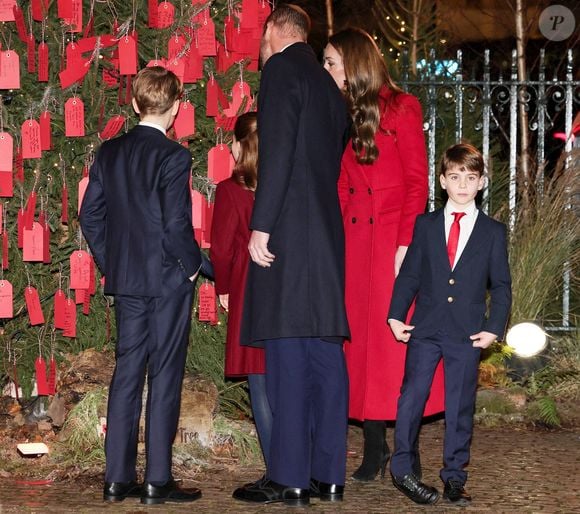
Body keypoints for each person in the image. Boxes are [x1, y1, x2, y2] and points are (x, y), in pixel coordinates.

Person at [232, 4, 350, 507]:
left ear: (275, 32)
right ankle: (328, 475)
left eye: (261, 37)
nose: (259, 48)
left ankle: (289, 477)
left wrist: (262, 225)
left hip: (287, 233)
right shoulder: (330, 86)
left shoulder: (281, 68)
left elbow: (276, 150)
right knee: (324, 354)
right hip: (325, 235)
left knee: (285, 354)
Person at [323, 27, 445, 482]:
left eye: (333, 61)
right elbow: (338, 182)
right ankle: (373, 447)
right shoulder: (340, 111)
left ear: (355, 62)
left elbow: (418, 182)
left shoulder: (402, 106)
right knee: (361, 348)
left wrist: (407, 246)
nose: (328, 70)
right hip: (355, 244)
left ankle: (404, 451)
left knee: (395, 348)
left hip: (393, 241)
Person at [80, 67, 204, 506]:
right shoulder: (175, 156)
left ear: (134, 104)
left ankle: (116, 479)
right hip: (169, 279)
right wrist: (192, 267)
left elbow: (89, 216)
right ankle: (157, 480)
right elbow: (175, 225)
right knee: (165, 373)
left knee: (127, 371)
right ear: (174, 109)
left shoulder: (109, 152)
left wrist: (111, 261)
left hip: (128, 279)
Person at [388, 143, 512, 506]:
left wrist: (494, 326)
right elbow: (409, 274)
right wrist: (395, 315)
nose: (462, 184)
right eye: (455, 177)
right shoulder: (425, 225)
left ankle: (454, 477)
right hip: (425, 327)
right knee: (411, 398)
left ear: (481, 183)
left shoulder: (492, 231)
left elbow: (501, 284)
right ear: (442, 181)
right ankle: (403, 468)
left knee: (460, 406)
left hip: (467, 332)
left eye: (470, 178)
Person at [210, 112, 272, 470]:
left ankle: (274, 464)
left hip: (248, 284)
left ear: (237, 146)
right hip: (282, 284)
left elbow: (220, 248)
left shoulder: (230, 189)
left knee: (258, 377)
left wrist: (224, 287)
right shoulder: (284, 185)